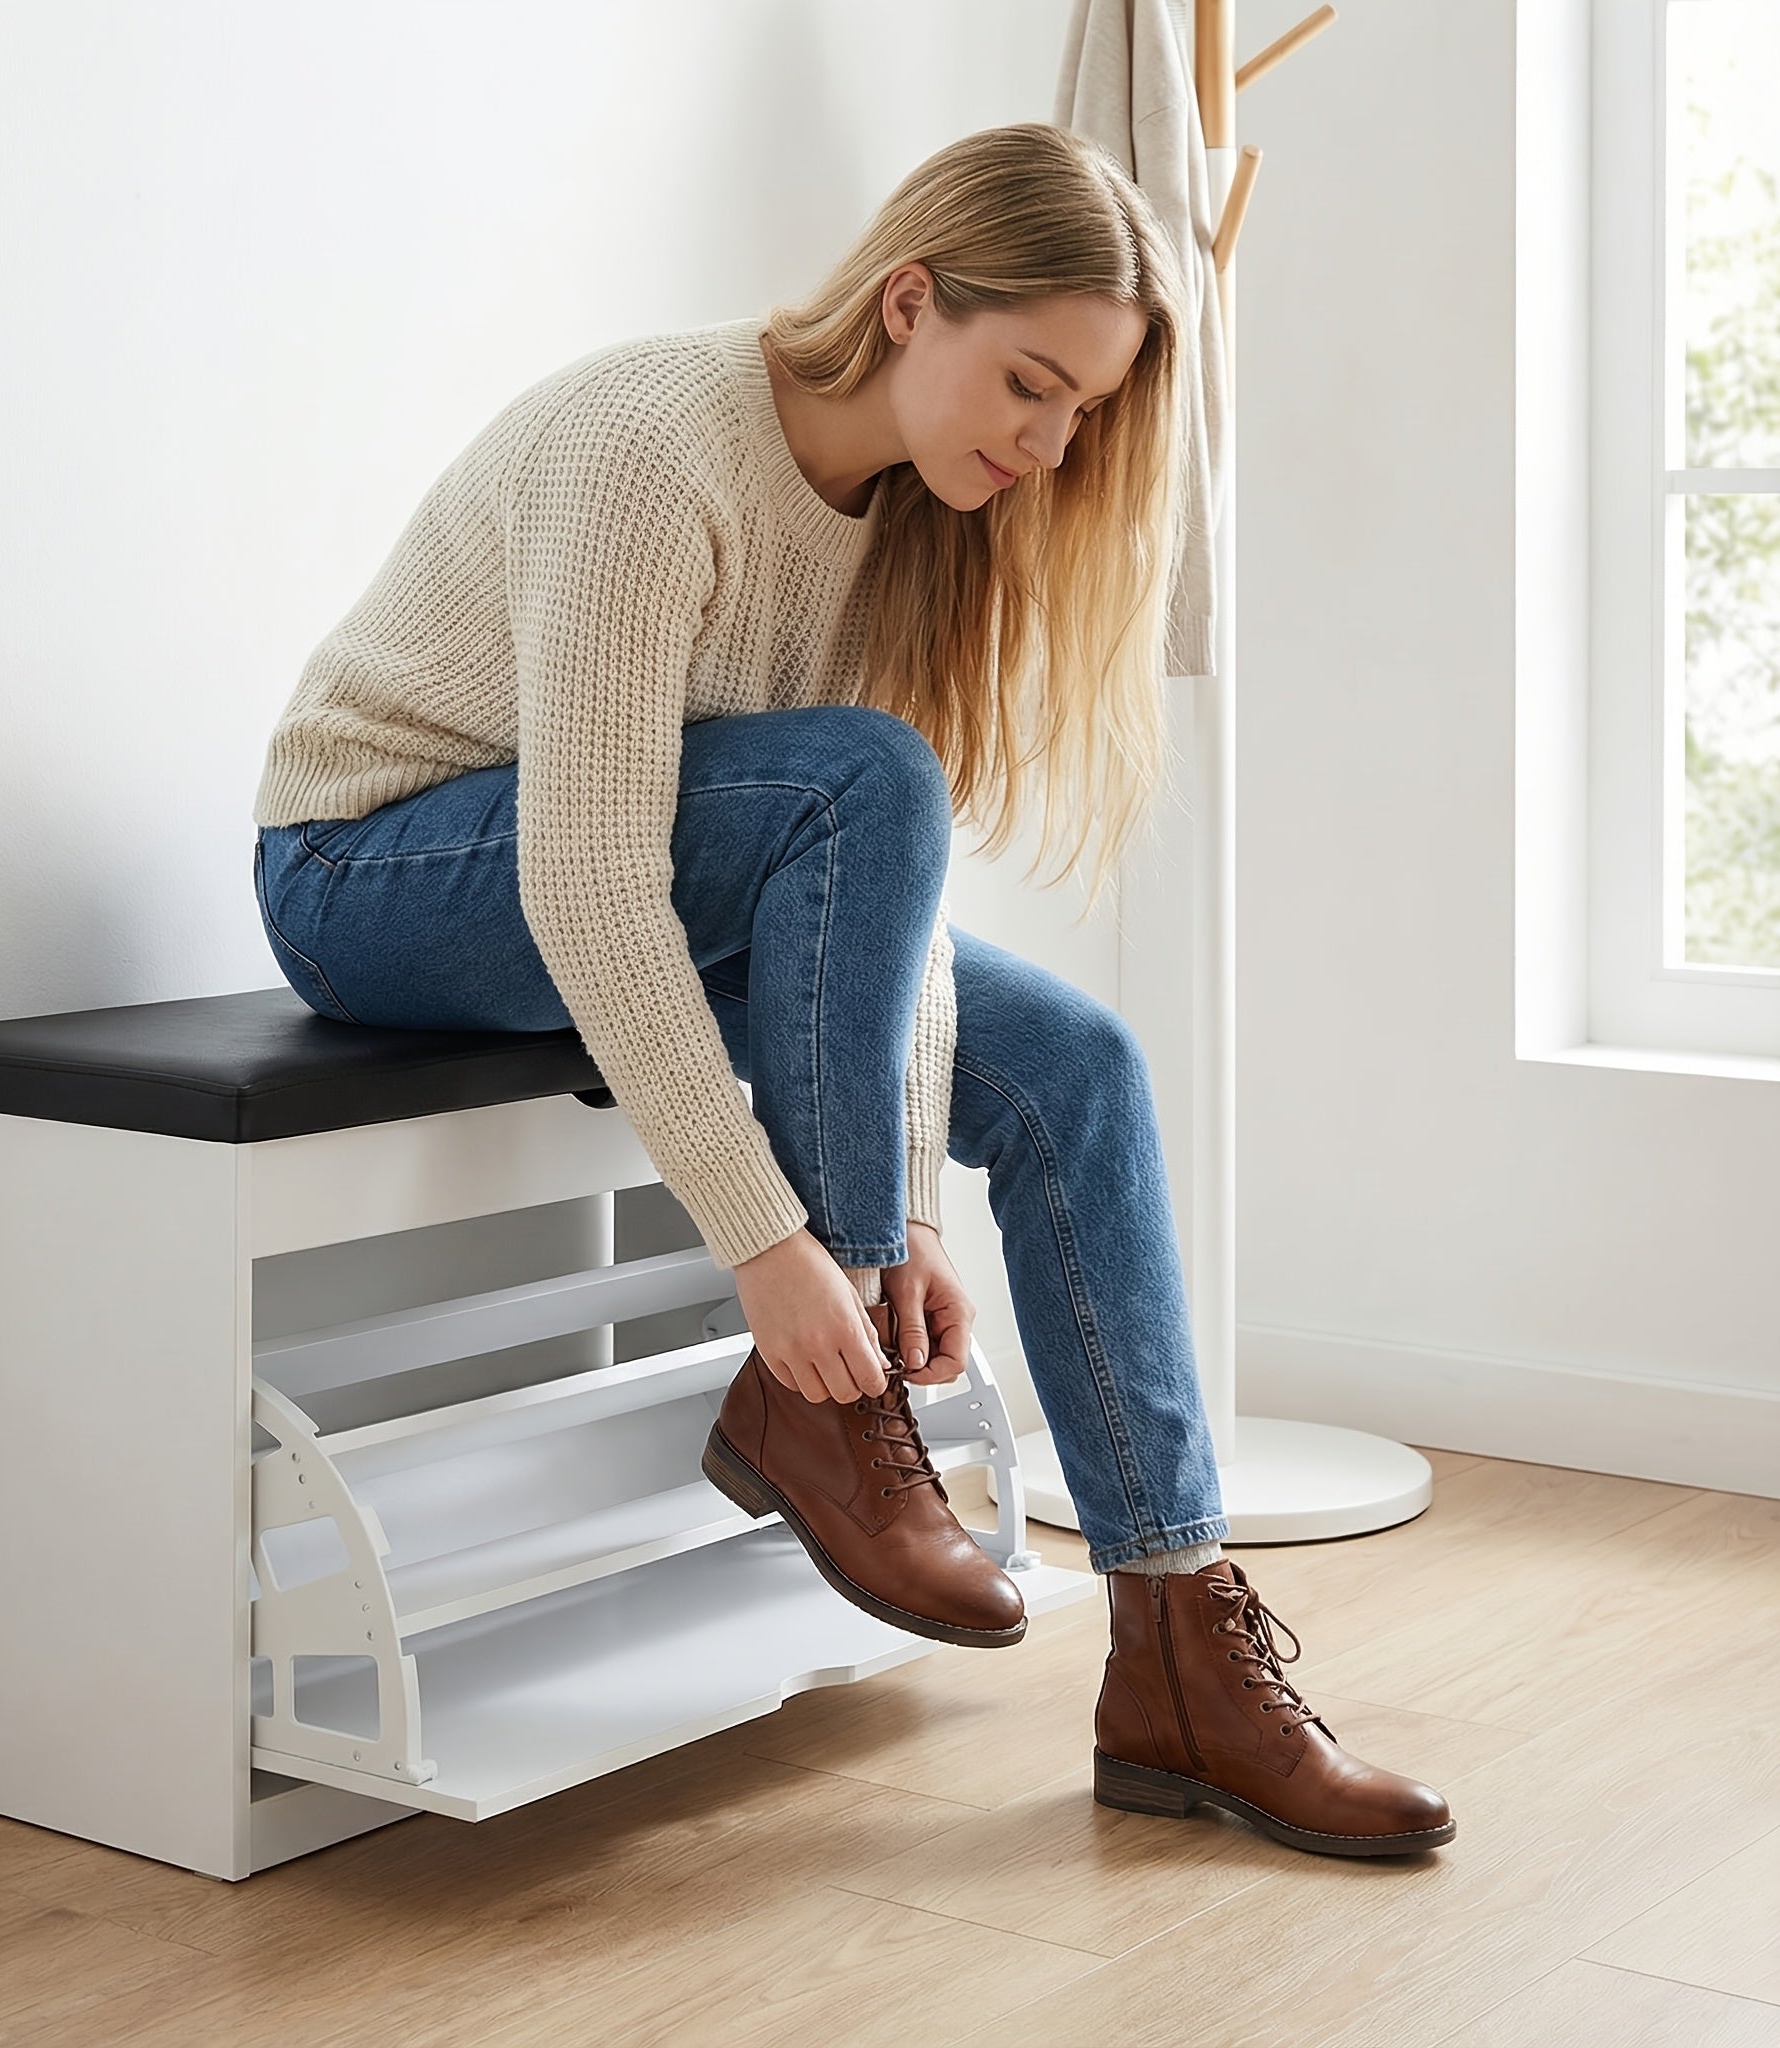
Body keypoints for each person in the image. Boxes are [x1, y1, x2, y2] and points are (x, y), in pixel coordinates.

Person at [249, 122, 1454, 1859]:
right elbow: (588, 883)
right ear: (908, 302)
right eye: (1029, 384)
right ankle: (826, 1413)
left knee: (1083, 1072)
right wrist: (788, 1252)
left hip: (660, 876)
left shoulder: (916, 525)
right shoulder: (649, 451)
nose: (1045, 447)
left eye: (1080, 416)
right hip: (377, 871)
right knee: (865, 777)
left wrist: (913, 1230)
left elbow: (884, 915)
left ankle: (1180, 1652)